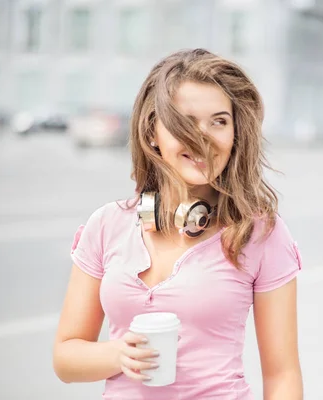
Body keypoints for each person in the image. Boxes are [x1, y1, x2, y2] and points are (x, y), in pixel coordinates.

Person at [53, 48, 303, 399]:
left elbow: (282, 376)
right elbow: (66, 357)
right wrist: (119, 354)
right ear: (153, 130)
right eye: (186, 121)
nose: (203, 137)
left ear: (235, 135)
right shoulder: (107, 225)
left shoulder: (260, 234)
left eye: (219, 121)